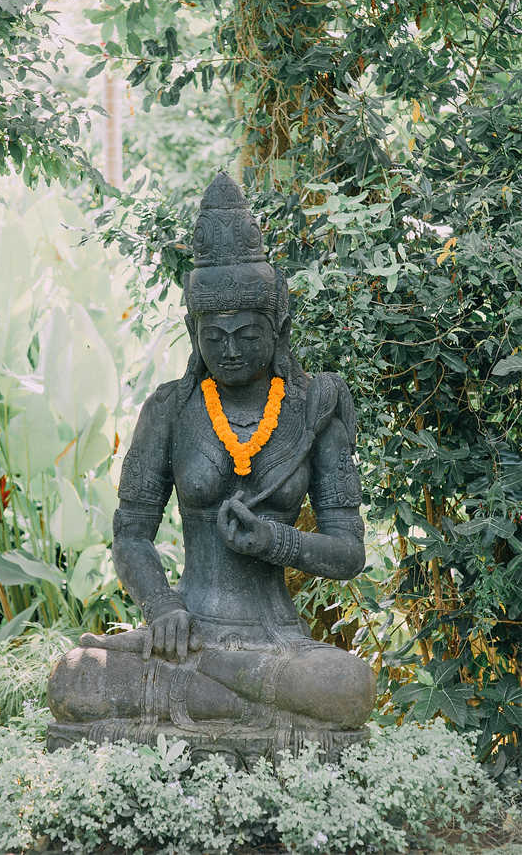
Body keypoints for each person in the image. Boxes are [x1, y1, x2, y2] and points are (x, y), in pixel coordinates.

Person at [47, 172, 375, 755]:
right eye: (214, 335)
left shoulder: (315, 407)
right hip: (184, 634)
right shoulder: (171, 409)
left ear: (278, 329)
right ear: (194, 333)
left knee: (345, 686)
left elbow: (349, 554)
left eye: (247, 334)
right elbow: (130, 534)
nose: (230, 349)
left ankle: (217, 688)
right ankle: (233, 697)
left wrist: (277, 542)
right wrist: (163, 608)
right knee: (74, 676)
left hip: (279, 642)